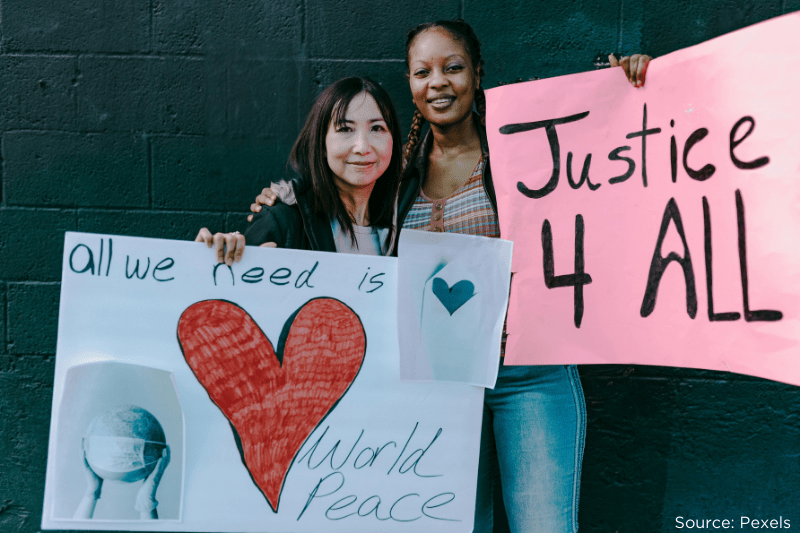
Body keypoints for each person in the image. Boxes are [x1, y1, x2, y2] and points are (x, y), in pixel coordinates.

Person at [244, 21, 649, 532]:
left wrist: (625, 90)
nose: (438, 82)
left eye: (453, 68)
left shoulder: (521, 150)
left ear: (477, 74)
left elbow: (604, 162)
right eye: (423, 72)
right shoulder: (396, 175)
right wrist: (275, 208)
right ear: (410, 85)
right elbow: (334, 202)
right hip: (438, 384)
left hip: (528, 375)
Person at [195, 76, 402, 260]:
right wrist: (210, 259)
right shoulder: (283, 221)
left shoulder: (404, 221)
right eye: (345, 129)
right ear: (321, 144)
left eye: (377, 128)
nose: (362, 147)